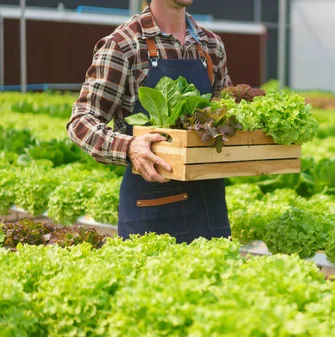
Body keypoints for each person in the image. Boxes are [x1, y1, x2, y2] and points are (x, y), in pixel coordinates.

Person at [67, 0, 233, 243]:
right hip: (151, 208)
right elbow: (81, 121)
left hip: (210, 207)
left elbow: (225, 116)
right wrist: (129, 147)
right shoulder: (125, 44)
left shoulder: (210, 45)